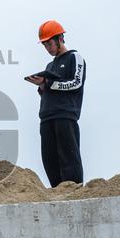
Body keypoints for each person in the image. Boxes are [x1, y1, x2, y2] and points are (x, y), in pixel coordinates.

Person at [26, 20, 85, 187]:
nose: (48, 48)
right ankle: (57, 192)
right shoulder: (50, 65)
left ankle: (75, 191)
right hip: (46, 117)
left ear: (60, 39)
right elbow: (49, 90)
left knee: (69, 157)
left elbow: (76, 83)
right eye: (45, 45)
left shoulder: (75, 57)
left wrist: (49, 83)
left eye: (49, 44)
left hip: (65, 115)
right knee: (50, 160)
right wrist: (42, 85)